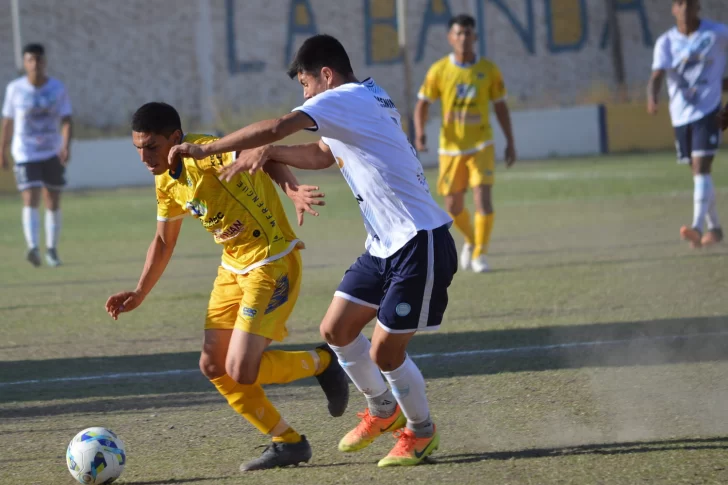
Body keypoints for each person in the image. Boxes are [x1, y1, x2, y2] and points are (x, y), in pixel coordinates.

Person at [168, 34, 458, 467]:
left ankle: (421, 431)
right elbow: (324, 154)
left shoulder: (343, 96)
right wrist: (271, 154)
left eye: (305, 85)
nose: (304, 95)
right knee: (336, 330)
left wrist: (209, 147)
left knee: (384, 353)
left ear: (325, 75)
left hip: (420, 241)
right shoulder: (367, 98)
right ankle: (383, 409)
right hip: (383, 246)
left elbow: (277, 126)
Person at [104, 102, 349, 471]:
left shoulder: (208, 154)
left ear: (175, 138)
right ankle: (288, 442)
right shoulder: (165, 180)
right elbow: (163, 241)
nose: (144, 157)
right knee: (214, 365)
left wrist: (292, 189)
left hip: (271, 262)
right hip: (232, 269)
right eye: (137, 147)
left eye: (151, 146)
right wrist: (139, 292)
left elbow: (263, 154)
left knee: (242, 369)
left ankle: (324, 362)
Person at [414, 14, 517, 272]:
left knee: (483, 197)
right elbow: (422, 104)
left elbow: (501, 106)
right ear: (450, 38)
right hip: (451, 148)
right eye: (458, 33)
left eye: (468, 33)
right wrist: (419, 132)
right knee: (452, 207)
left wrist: (510, 141)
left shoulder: (489, 70)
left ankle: (480, 254)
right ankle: (471, 240)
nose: (463, 38)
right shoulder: (439, 70)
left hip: (482, 144)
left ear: (476, 37)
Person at [648, 0, 728, 248]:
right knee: (697, 173)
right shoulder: (666, 42)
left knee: (701, 166)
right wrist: (652, 97)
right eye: (680, 3)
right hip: (681, 115)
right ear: (673, 9)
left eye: (689, 3)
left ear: (698, 7)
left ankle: (696, 227)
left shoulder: (718, 34)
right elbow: (657, 76)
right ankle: (714, 229)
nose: (684, 8)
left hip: (709, 111)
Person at [0, 43, 72, 267]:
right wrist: (2, 149)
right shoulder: (15, 89)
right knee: (30, 197)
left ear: (45, 62)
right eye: (30, 60)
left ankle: (51, 249)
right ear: (25, 63)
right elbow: (8, 121)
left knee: (52, 198)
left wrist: (65, 144)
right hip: (25, 151)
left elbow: (67, 119)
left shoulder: (57, 88)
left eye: (39, 60)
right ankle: (33, 247)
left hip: (51, 150)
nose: (35, 64)